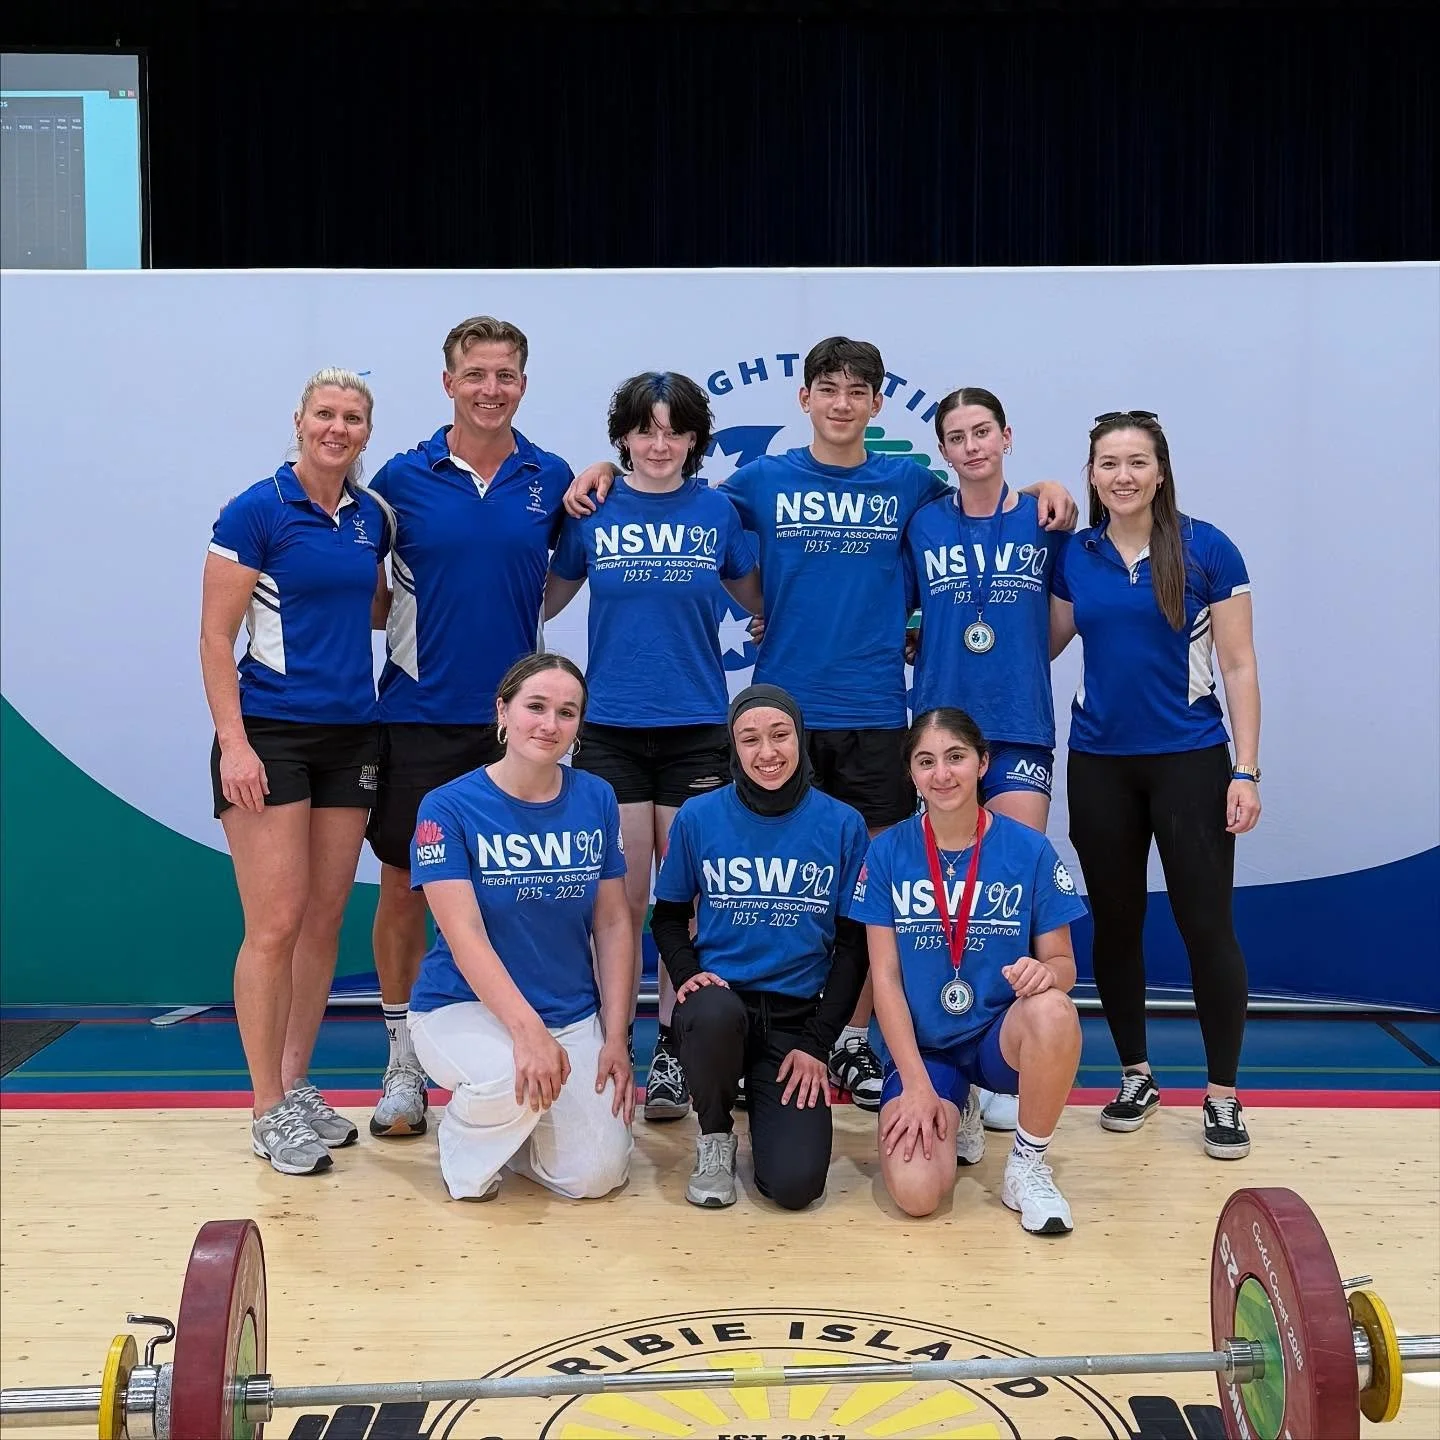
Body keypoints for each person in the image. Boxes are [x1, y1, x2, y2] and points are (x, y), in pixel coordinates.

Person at [565, 338, 1077, 1112]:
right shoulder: (756, 482)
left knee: (871, 898)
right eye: (827, 388)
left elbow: (983, 488)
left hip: (876, 714)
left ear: (876, 403)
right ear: (803, 399)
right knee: (722, 893)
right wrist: (601, 471)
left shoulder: (910, 482)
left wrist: (1046, 487)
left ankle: (849, 1042)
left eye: (857, 390)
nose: (842, 403)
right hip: (784, 719)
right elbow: (670, 490)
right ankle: (704, 1041)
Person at [365, 316, 574, 1140]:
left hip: (514, 726)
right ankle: (402, 1064)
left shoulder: (549, 475)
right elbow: (369, 584)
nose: (492, 388)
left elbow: (555, 583)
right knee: (402, 886)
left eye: (507, 375)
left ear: (524, 382)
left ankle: (508, 1041)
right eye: (476, 374)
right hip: (416, 715)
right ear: (448, 381)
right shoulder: (400, 477)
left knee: (509, 892)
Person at [545, 372, 763, 1124]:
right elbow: (540, 598)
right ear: (625, 438)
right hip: (609, 729)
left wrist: (776, 625)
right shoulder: (593, 510)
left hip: (699, 726)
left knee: (689, 901)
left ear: (696, 438)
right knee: (621, 899)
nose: (660, 444)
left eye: (674, 430)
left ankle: (675, 1047)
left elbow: (762, 598)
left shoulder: (719, 512)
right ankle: (616, 1042)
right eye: (645, 431)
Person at [1051, 411, 1262, 1160]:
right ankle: (1137, 1073)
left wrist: (1246, 768)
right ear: (1092, 474)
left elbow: (1238, 665)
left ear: (1161, 470)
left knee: (1207, 927)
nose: (1123, 475)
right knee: (1115, 924)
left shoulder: (1207, 548)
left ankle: (1223, 1094)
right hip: (1101, 763)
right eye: (1108, 463)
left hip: (1192, 759)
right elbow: (1039, 643)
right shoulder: (1072, 556)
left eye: (1137, 461)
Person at [200, 368, 392, 1176]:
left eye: (352, 417)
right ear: (300, 419)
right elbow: (216, 639)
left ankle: (297, 1081)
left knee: (321, 921)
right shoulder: (256, 509)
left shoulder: (370, 518)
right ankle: (264, 1107)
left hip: (353, 739)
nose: (337, 427)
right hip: (270, 736)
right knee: (274, 926)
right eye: (326, 413)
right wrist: (235, 745)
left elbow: (377, 605)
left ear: (365, 432)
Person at [406, 653, 634, 1202]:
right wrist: (528, 1034)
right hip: (463, 1007)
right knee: (504, 1079)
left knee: (596, 1176)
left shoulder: (596, 797)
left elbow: (613, 921)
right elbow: (464, 936)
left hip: (570, 1014)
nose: (549, 725)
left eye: (567, 712)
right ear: (502, 712)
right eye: (535, 707)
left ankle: (522, 1140)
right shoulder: (448, 806)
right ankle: (465, 1149)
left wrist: (617, 1036)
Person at [853, 709, 1088, 1233]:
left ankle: (1026, 1165)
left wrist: (1044, 975)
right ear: (911, 774)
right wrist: (914, 1085)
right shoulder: (888, 852)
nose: (942, 774)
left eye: (955, 757)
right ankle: (954, 1103)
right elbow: (884, 978)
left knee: (1053, 1010)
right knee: (916, 1196)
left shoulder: (1028, 849)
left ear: (982, 763)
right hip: (926, 1050)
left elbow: (1065, 964)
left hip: (996, 1041)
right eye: (926, 761)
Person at [902, 386, 1063, 1133]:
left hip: (1020, 726)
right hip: (942, 728)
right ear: (943, 451)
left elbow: (1059, 621)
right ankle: (957, 1062)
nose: (971, 447)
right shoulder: (923, 523)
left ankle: (1006, 1062)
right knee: (948, 900)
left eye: (982, 432)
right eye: (956, 437)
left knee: (1011, 893)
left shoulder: (1044, 515)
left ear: (1006, 436)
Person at [649, 685, 870, 1210]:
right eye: (750, 739)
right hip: (721, 1007)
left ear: (800, 738)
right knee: (712, 1011)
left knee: (796, 1188)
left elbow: (854, 945)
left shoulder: (842, 824)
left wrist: (818, 1045)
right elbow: (669, 918)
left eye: (779, 735)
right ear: (733, 747)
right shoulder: (700, 817)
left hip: (796, 1024)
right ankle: (715, 1136)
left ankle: (768, 1105)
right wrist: (686, 974)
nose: (766, 752)